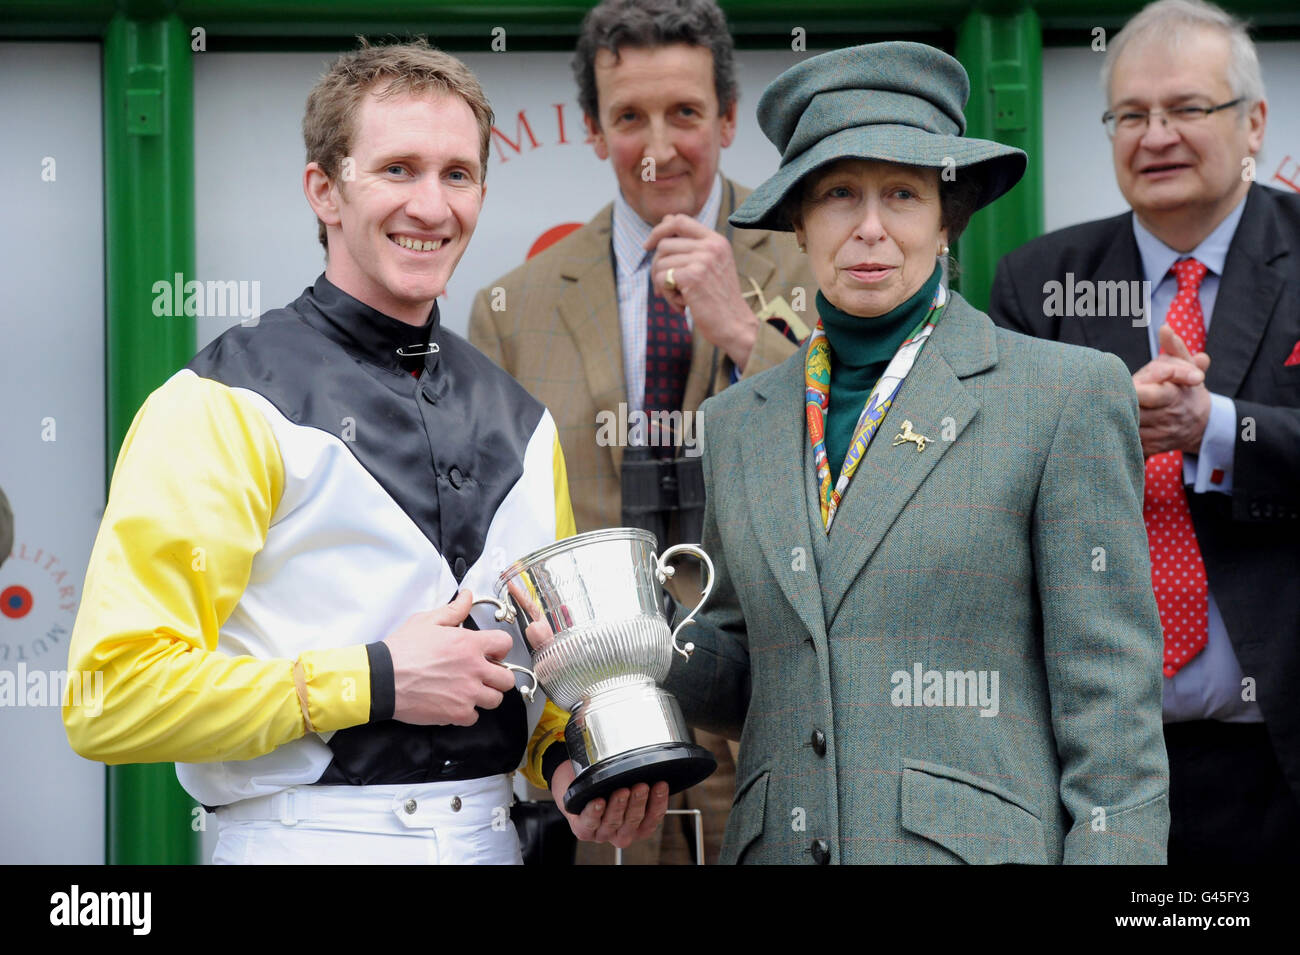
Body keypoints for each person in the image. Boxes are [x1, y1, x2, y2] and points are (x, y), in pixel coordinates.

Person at [63, 39, 666, 864]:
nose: (431, 204)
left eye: (457, 174)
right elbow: (111, 696)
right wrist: (377, 679)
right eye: (397, 169)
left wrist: (569, 769)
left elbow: (536, 683)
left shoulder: (525, 421)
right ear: (325, 190)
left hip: (497, 839)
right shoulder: (221, 402)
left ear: (483, 192)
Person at [661, 40, 1170, 864]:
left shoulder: (1062, 395)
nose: (869, 226)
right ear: (798, 218)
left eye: (901, 192)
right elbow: (749, 682)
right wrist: (640, 635)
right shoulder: (736, 422)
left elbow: (1110, 705)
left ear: (947, 213)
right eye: (838, 194)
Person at [469, 0, 815, 865]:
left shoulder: (819, 267)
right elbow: (489, 541)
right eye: (629, 117)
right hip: (598, 754)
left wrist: (742, 331)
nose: (658, 146)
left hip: (770, 726)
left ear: (730, 119)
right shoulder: (515, 308)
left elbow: (865, 458)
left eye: (686, 114)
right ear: (593, 130)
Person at [989, 0, 1300, 863]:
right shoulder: (1041, 280)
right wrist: (1096, 430)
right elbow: (983, 481)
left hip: (1279, 743)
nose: (1155, 134)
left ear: (1254, 125)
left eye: (1187, 109)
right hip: (1104, 758)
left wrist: (1219, 428)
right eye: (1131, 115)